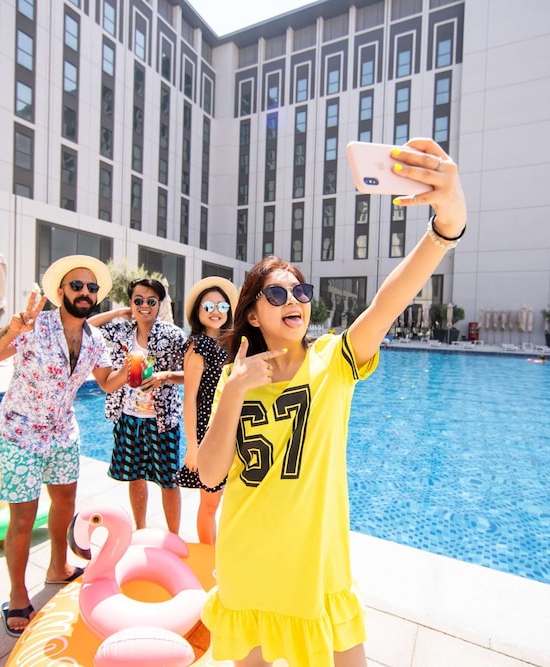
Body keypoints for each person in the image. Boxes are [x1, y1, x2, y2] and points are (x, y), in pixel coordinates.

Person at [197, 137, 467, 666]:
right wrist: (234, 390)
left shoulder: (334, 360)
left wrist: (445, 227)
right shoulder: (235, 377)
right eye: (277, 294)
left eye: (300, 292)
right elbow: (209, 474)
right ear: (252, 314)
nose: (294, 300)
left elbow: (388, 301)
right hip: (248, 560)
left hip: (319, 565)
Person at [0, 255, 127, 637]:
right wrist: (11, 330)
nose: (85, 293)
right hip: (20, 431)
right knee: (23, 517)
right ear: (61, 291)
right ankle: (18, 594)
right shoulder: (34, 326)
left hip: (62, 431)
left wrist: (135, 370)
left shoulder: (94, 339)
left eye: (91, 288)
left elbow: (107, 382)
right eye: (77, 286)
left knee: (65, 503)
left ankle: (58, 567)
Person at [92, 278, 187, 533]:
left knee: (168, 481)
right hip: (128, 417)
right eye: (138, 301)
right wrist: (119, 312)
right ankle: (141, 529)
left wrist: (166, 376)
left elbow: (192, 373)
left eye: (151, 301)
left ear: (160, 304)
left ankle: (174, 536)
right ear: (131, 303)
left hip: (162, 419)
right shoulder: (122, 331)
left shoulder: (173, 335)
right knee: (135, 477)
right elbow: (86, 327)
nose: (145, 306)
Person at [174, 277, 239, 544]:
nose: (216, 312)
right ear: (197, 312)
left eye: (222, 306)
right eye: (209, 306)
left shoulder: (232, 344)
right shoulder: (198, 345)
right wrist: (192, 447)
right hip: (208, 430)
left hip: (233, 425)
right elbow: (190, 397)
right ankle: (208, 558)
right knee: (210, 502)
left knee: (230, 500)